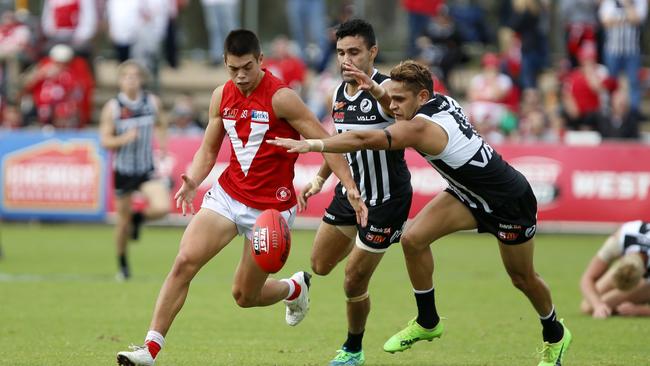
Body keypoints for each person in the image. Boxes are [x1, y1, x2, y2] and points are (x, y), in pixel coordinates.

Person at [269, 60, 573, 366]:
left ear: (422, 97)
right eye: (393, 98)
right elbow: (388, 105)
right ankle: (428, 321)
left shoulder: (420, 128)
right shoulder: (439, 101)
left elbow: (363, 139)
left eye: (400, 100)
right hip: (466, 194)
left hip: (509, 202)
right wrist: (377, 89)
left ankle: (555, 334)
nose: (393, 106)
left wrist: (312, 144)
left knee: (522, 278)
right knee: (413, 240)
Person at [115, 29, 366, 366]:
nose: (241, 76)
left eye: (247, 67)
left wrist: (348, 184)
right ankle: (150, 350)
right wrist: (194, 180)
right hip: (228, 196)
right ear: (225, 64)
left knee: (244, 296)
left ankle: (293, 288)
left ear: (261, 61)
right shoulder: (222, 95)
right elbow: (208, 147)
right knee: (184, 262)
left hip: (271, 210)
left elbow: (327, 142)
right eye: (233, 69)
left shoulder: (282, 97)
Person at [297, 19, 412, 366]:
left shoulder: (387, 88)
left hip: (386, 200)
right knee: (319, 264)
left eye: (354, 52)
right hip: (351, 194)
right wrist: (319, 179)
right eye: (341, 53)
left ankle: (352, 349)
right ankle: (307, 282)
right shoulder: (336, 93)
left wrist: (374, 90)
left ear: (372, 52)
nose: (347, 60)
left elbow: (393, 108)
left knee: (352, 279)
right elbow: (340, 143)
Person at [99, 60, 170, 280]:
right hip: (123, 170)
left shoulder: (152, 102)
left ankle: (138, 220)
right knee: (121, 223)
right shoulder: (113, 108)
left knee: (162, 207)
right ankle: (123, 265)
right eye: (127, 76)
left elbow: (161, 123)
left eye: (135, 75)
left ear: (141, 79)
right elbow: (105, 141)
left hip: (145, 167)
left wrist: (162, 146)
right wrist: (124, 138)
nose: (131, 79)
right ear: (120, 80)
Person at [580, 220, 650, 318]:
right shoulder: (618, 240)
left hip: (647, 282)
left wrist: (639, 310)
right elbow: (587, 277)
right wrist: (598, 305)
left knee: (589, 308)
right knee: (588, 305)